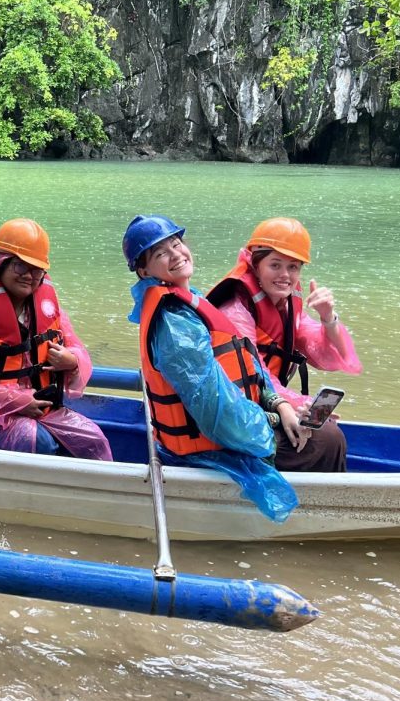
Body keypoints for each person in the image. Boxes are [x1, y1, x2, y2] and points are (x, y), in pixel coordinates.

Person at [123, 214, 298, 522]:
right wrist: (271, 421)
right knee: (325, 443)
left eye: (177, 244)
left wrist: (279, 403)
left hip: (236, 428)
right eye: (161, 253)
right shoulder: (175, 324)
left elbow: (249, 372)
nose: (176, 255)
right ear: (143, 270)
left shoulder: (190, 302)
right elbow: (217, 414)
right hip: (212, 448)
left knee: (316, 432)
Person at [0, 219, 112, 459]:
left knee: (92, 440)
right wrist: (18, 402)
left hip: (39, 406)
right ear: (1, 263)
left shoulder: (45, 304)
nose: (29, 277)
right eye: (20, 267)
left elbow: (76, 347)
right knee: (39, 443)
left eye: (37, 270)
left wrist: (71, 361)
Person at [207, 217, 361, 472]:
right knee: (329, 439)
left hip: (264, 405)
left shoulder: (286, 304)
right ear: (254, 265)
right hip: (235, 416)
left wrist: (328, 318)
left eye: (293, 267)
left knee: (327, 432)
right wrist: (297, 405)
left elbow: (329, 358)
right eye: (275, 265)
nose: (285, 276)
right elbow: (254, 376)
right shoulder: (235, 309)